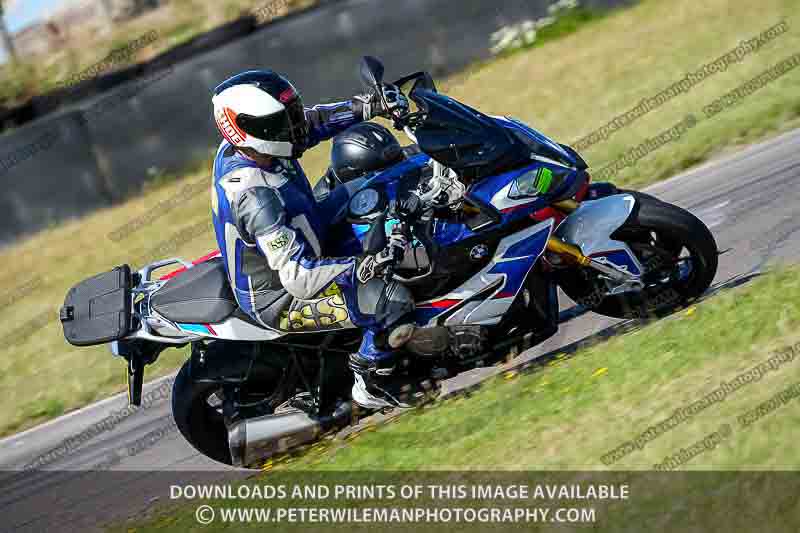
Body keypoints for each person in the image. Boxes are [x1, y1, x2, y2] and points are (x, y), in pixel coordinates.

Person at [210, 69, 418, 409]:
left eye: (291, 114)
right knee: (390, 300)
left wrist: (368, 106)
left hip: (309, 226)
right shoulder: (255, 196)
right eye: (284, 121)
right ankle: (372, 383)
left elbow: (314, 121)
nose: (295, 127)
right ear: (248, 127)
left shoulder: (257, 143)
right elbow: (300, 278)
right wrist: (362, 267)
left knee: (392, 176)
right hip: (280, 298)